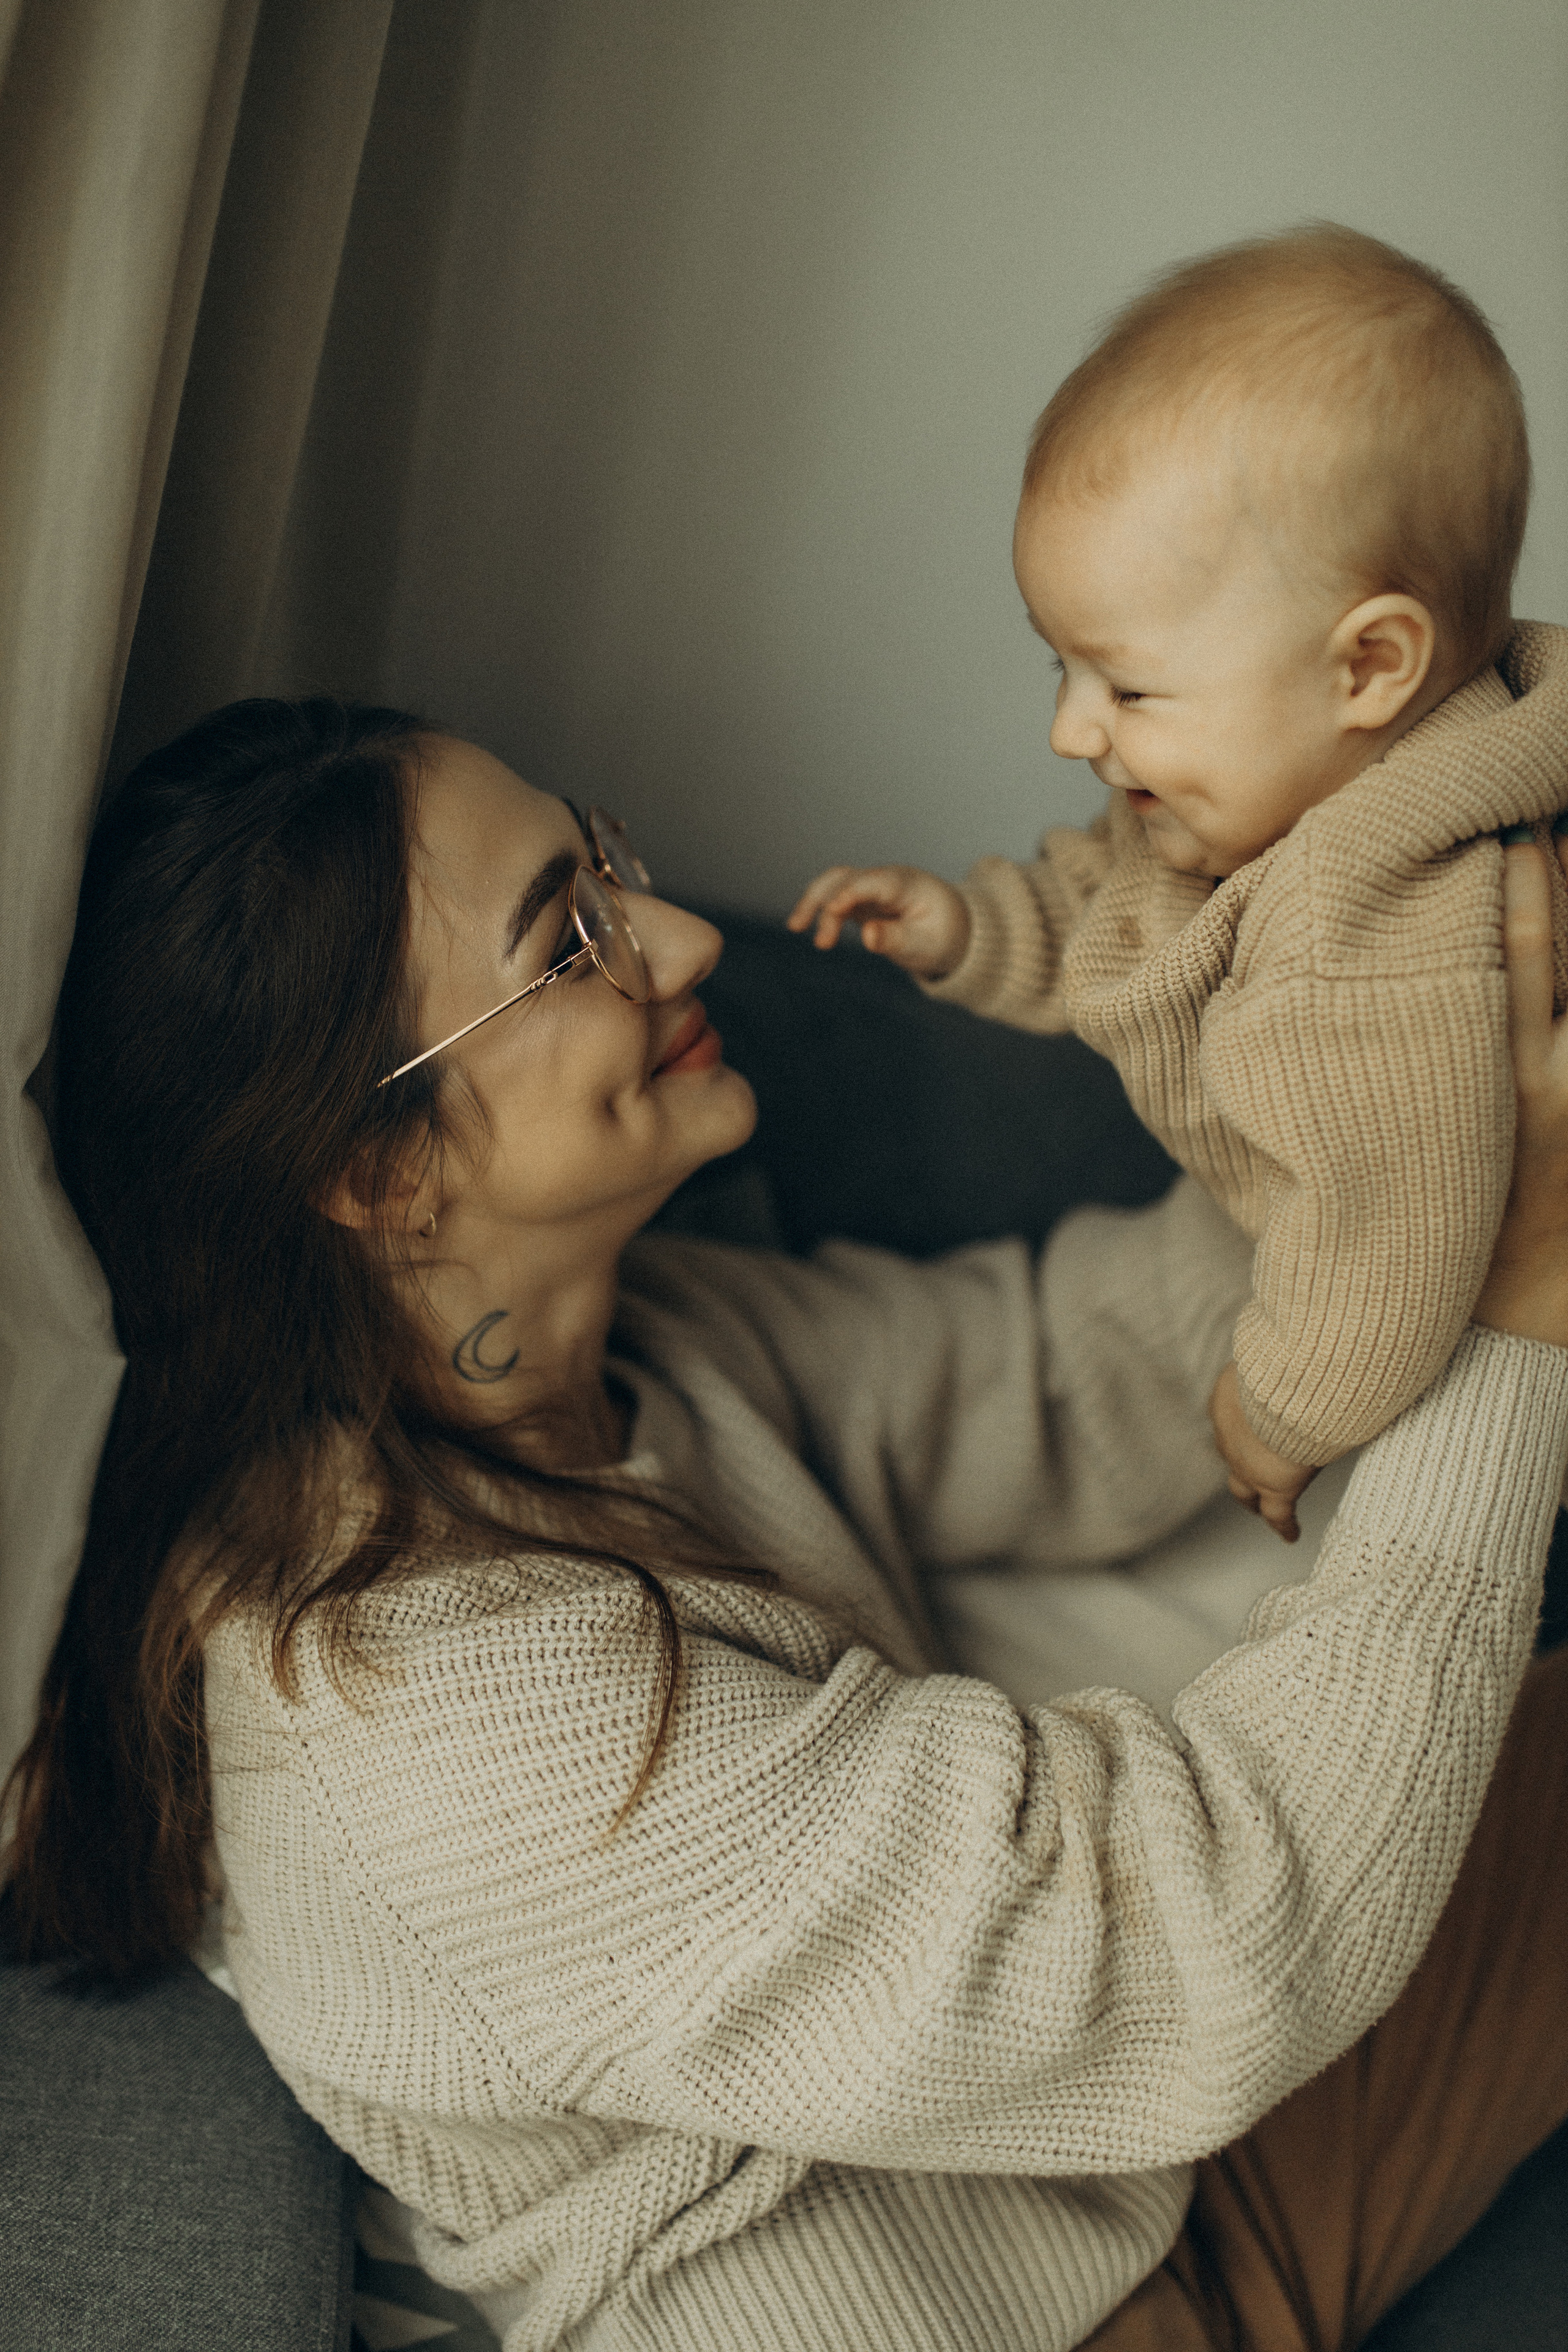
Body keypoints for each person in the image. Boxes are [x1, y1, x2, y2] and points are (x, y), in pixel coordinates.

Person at [5, 698, 1568, 2352]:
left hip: (1166, 2196)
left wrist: (1415, 1109)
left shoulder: (623, 1351)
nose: (676, 940)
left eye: (607, 860)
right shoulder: (430, 1715)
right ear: (377, 1170)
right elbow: (1211, 1938)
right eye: (571, 939)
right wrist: (1527, 1303)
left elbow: (1056, 1376)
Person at [788, 223, 1568, 1543]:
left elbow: (1391, 1237)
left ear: (1368, 666)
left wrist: (1278, 1411)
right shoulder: (1270, 781)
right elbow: (1121, 902)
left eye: (1125, 686)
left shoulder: (1363, 935)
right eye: (1061, 670)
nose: (1072, 731)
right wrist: (967, 928)